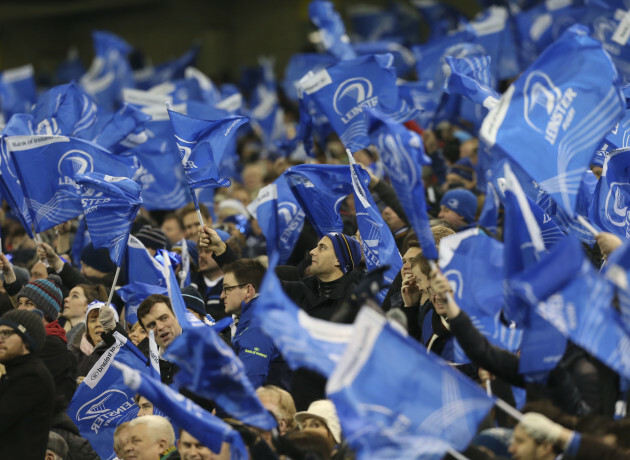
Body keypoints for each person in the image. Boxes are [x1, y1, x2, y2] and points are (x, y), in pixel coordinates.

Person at [222, 259, 290, 389]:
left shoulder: (259, 326)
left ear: (248, 290)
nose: (222, 296)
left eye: (227, 289)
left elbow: (248, 386)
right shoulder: (253, 320)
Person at [0, 309, 54, 460]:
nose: (0, 339)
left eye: (7, 333)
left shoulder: (32, 376)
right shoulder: (14, 372)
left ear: (26, 340)